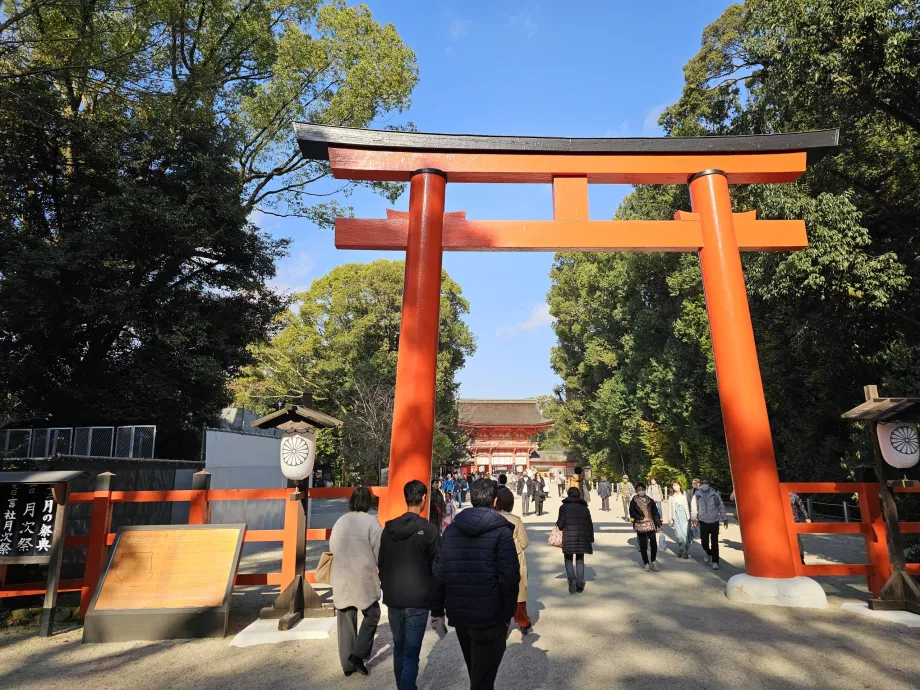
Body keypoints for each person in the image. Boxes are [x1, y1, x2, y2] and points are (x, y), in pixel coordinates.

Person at [431, 479, 519, 690]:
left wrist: (437, 610)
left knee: (476, 671)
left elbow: (439, 572)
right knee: (483, 678)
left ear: (470, 497)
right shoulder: (502, 532)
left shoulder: (451, 531)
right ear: (495, 500)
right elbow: (510, 577)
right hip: (490, 617)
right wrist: (507, 615)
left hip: (460, 615)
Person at [379, 480, 440, 690]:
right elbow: (438, 566)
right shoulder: (429, 530)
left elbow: (382, 562)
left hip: (394, 598)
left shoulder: (388, 529)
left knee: (399, 648)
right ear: (424, 499)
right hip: (418, 598)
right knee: (411, 654)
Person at [329, 487, 382, 677]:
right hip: (363, 577)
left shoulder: (340, 522)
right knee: (372, 613)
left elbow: (332, 547)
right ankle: (358, 654)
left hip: (343, 575)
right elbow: (379, 551)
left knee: (345, 618)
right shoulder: (371, 522)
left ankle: (347, 665)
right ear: (368, 502)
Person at [496, 486, 532, 636]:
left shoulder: (492, 518)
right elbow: (524, 543)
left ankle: (502, 624)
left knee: (499, 594)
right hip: (515, 559)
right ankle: (523, 622)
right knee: (519, 594)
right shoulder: (516, 521)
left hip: (496, 560)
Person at [557, 487, 595, 593]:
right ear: (578, 495)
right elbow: (589, 525)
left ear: (568, 495)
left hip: (568, 536)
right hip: (582, 537)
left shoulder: (563, 507)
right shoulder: (585, 508)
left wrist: (558, 524)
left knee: (568, 559)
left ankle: (572, 579)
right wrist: (590, 538)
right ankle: (580, 583)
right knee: (580, 560)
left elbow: (561, 525)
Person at [691, 478, 728, 570]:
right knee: (704, 542)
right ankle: (708, 552)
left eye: (706, 483)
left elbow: (721, 507)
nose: (704, 485)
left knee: (715, 542)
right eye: (703, 483)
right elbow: (694, 507)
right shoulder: (697, 495)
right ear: (700, 485)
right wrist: (693, 518)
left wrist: (725, 518)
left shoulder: (715, 494)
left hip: (714, 521)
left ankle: (715, 561)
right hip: (703, 521)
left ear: (709, 484)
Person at [629, 482, 663, 571]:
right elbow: (632, 513)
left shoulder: (650, 500)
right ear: (636, 491)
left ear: (645, 489)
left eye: (642, 489)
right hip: (640, 525)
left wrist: (659, 523)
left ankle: (653, 560)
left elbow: (655, 512)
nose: (641, 491)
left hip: (651, 524)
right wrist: (641, 518)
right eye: (639, 490)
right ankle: (646, 562)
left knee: (653, 543)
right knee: (643, 545)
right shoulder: (634, 501)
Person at [667, 481, 692, 559]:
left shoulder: (686, 495)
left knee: (686, 535)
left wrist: (694, 517)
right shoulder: (671, 497)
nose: (675, 487)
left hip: (685, 517)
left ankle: (685, 551)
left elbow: (691, 505)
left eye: (677, 485)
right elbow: (670, 508)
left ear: (680, 486)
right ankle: (681, 548)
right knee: (679, 535)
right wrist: (670, 519)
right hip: (676, 518)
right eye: (674, 485)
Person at [790, 491, 811, 564]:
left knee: (797, 539)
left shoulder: (793, 496)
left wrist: (807, 517)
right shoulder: (777, 495)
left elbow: (801, 506)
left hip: (794, 520)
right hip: (782, 520)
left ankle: (800, 557)